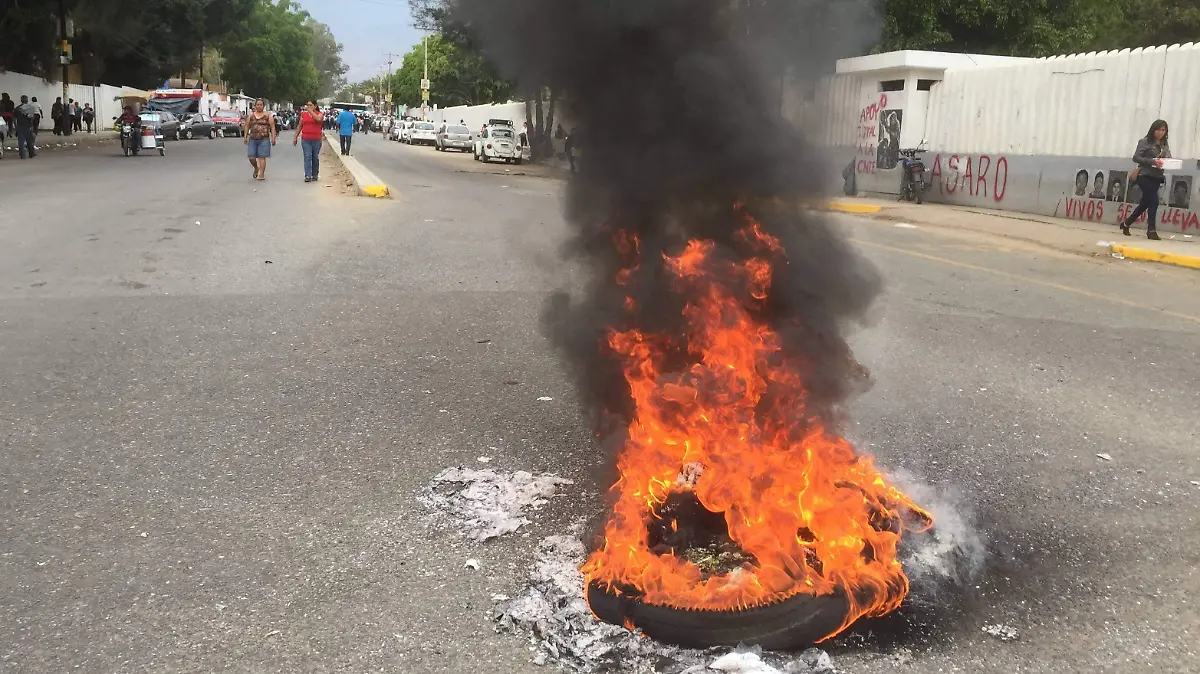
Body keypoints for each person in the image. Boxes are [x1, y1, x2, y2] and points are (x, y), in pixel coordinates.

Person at [1120, 119, 1170, 240]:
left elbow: (1168, 156)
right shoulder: (1145, 142)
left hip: (1157, 176)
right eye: (1158, 129)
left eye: (1163, 130)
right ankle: (1151, 230)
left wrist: (1168, 161)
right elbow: (1136, 157)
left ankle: (1126, 223)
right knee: (1154, 201)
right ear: (1153, 129)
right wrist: (1152, 161)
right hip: (1144, 175)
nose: (1161, 132)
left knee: (1145, 203)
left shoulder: (1164, 144)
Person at [243, 98, 277, 181]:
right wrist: (245, 136)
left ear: (263, 106)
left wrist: (273, 137)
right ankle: (256, 168)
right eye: (257, 104)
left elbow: (272, 127)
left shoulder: (268, 116)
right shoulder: (251, 116)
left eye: (260, 105)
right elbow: (247, 126)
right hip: (253, 139)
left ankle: (261, 174)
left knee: (262, 157)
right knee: (251, 157)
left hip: (264, 139)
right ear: (255, 106)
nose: (259, 106)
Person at [294, 98, 324, 183]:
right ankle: (307, 175)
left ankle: (315, 174)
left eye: (311, 105)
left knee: (315, 157)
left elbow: (318, 119)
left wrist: (310, 111)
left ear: (315, 106)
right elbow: (300, 126)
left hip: (316, 139)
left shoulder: (320, 114)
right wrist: (295, 137)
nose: (309, 107)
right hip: (306, 139)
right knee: (307, 156)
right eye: (308, 105)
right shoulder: (304, 115)